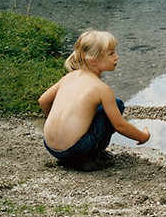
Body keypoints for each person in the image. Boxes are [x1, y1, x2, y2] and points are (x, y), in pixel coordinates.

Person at [38, 30, 150, 171]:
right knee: (117, 104)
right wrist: (143, 136)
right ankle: (89, 158)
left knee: (94, 108)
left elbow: (43, 101)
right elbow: (119, 126)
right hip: (75, 149)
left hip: (50, 146)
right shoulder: (101, 89)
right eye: (111, 54)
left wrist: (61, 126)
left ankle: (70, 155)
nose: (117, 57)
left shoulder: (70, 77)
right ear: (92, 60)